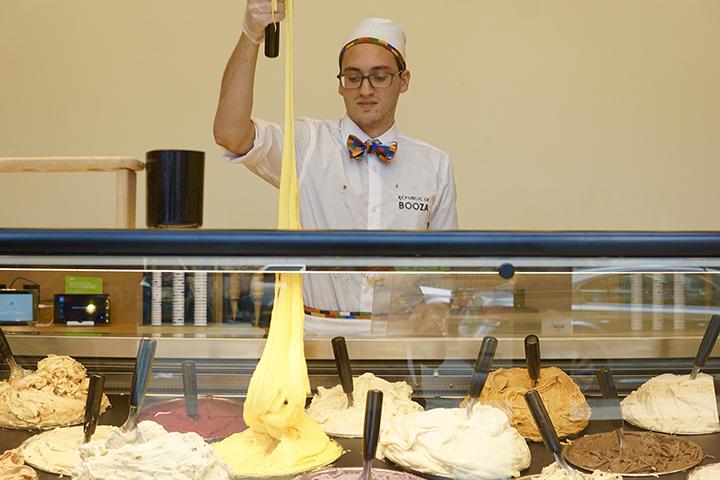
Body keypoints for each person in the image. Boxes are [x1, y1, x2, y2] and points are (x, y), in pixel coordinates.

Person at [214, 0, 458, 336]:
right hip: (313, 337)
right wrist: (250, 33)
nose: (366, 89)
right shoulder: (308, 143)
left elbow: (443, 270)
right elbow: (230, 133)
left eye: (380, 77)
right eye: (353, 77)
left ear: (404, 81)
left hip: (398, 343)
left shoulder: (434, 164)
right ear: (340, 84)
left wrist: (433, 330)